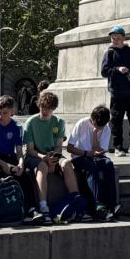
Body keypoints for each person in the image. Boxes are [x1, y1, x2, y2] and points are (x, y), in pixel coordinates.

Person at [23, 90, 82, 223]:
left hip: (52, 155)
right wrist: (44, 158)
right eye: (43, 108)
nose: (45, 111)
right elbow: (30, 150)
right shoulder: (31, 122)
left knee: (67, 163)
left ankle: (76, 200)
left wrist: (54, 158)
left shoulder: (59, 122)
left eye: (48, 109)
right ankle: (43, 205)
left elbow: (58, 147)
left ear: (54, 109)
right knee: (43, 166)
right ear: (39, 105)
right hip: (36, 156)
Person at [0, 94, 37, 218]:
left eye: (5, 113)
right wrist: (4, 165)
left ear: (12, 112)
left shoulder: (17, 127)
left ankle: (31, 208)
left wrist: (21, 163)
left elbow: (19, 151)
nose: (1, 116)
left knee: (25, 174)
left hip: (9, 157)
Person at [67, 105, 120, 220]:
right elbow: (69, 148)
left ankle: (112, 204)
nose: (98, 127)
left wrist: (95, 133)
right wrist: (86, 153)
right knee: (92, 167)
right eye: (95, 124)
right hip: (80, 156)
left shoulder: (106, 128)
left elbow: (99, 150)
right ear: (92, 118)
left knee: (108, 164)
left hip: (95, 156)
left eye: (101, 126)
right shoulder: (82, 124)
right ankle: (97, 205)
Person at [100, 25, 130, 155]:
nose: (115, 40)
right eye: (113, 38)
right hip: (117, 92)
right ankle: (118, 147)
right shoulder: (109, 53)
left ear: (123, 38)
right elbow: (104, 71)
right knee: (116, 121)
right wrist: (117, 69)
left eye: (118, 38)